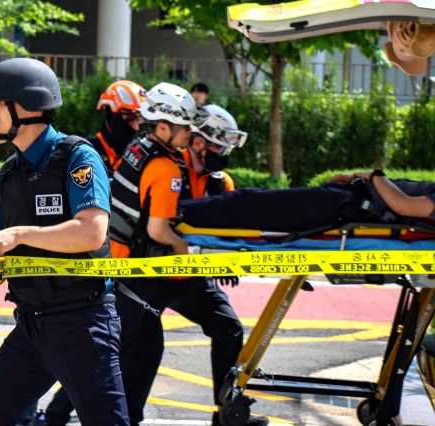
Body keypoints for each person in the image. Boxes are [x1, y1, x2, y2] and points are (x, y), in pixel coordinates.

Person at [0, 57, 129, 426]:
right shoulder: (5, 177)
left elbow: (91, 231)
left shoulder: (78, 158)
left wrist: (18, 235)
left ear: (28, 106)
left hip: (84, 323)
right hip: (31, 325)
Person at [114, 102, 269, 426]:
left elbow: (225, 230)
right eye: (218, 144)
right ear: (197, 141)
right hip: (151, 274)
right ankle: (122, 417)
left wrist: (225, 262)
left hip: (190, 275)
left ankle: (226, 414)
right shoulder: (168, 165)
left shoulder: (221, 182)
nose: (222, 152)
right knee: (135, 347)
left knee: (229, 329)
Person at [42, 80, 146, 426]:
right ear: (109, 116)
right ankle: (48, 411)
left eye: (138, 120)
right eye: (129, 118)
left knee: (116, 346)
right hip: (89, 266)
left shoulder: (135, 157)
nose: (135, 126)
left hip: (128, 262)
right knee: (85, 350)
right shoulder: (84, 156)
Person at [179, 170, 435, 231]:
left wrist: (375, 175)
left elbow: (403, 205)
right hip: (347, 200)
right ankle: (176, 212)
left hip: (346, 205)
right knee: (252, 202)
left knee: (247, 203)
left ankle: (175, 212)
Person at [90, 80, 147, 174]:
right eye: (130, 118)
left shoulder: (138, 157)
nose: (136, 128)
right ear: (111, 116)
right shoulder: (86, 152)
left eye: (140, 119)